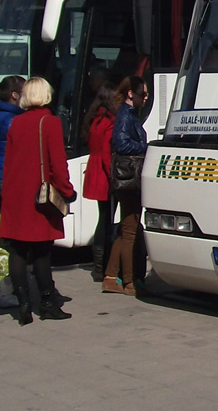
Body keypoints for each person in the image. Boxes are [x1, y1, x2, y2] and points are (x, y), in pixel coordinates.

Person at [0, 77, 76, 325]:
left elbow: (8, 163)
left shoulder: (15, 123)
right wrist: (67, 190)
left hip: (15, 195)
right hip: (39, 197)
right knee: (42, 252)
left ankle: (23, 302)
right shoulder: (50, 123)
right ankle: (47, 302)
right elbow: (57, 164)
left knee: (18, 250)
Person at [102, 76, 148, 295]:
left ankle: (111, 277)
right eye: (143, 94)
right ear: (131, 93)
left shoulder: (128, 115)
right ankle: (129, 282)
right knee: (130, 232)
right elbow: (120, 143)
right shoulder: (125, 116)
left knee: (125, 230)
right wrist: (144, 147)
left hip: (126, 179)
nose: (146, 99)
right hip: (128, 179)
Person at [0, 75, 25, 310]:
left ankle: (3, 285)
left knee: (1, 233)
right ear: (15, 95)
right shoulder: (12, 120)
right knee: (9, 238)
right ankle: (6, 287)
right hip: (8, 180)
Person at [81, 81, 118, 282]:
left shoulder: (96, 118)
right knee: (106, 220)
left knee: (102, 218)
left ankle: (98, 264)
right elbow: (106, 154)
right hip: (104, 174)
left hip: (94, 171)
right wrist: (114, 176)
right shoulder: (109, 121)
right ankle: (101, 265)